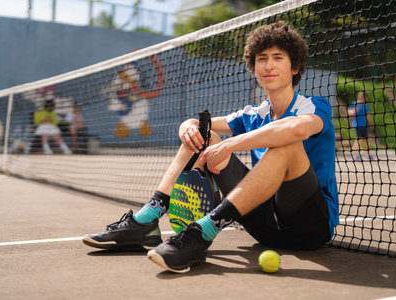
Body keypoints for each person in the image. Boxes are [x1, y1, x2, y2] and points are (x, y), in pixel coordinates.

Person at [83, 21, 339, 273]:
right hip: (263, 228)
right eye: (261, 58)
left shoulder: (313, 106)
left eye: (277, 58)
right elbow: (199, 123)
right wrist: (187, 125)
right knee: (202, 135)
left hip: (309, 226)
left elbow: (296, 129)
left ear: (294, 66)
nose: (268, 65)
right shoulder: (253, 114)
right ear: (254, 66)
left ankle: (201, 233)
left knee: (286, 144)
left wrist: (231, 145)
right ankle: (146, 221)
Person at [347, 92, 371, 161]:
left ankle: (368, 155)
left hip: (363, 125)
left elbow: (368, 115)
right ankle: (355, 155)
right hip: (357, 125)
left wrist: (370, 123)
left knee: (366, 140)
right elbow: (350, 112)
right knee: (359, 140)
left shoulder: (366, 106)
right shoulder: (355, 103)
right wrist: (355, 109)